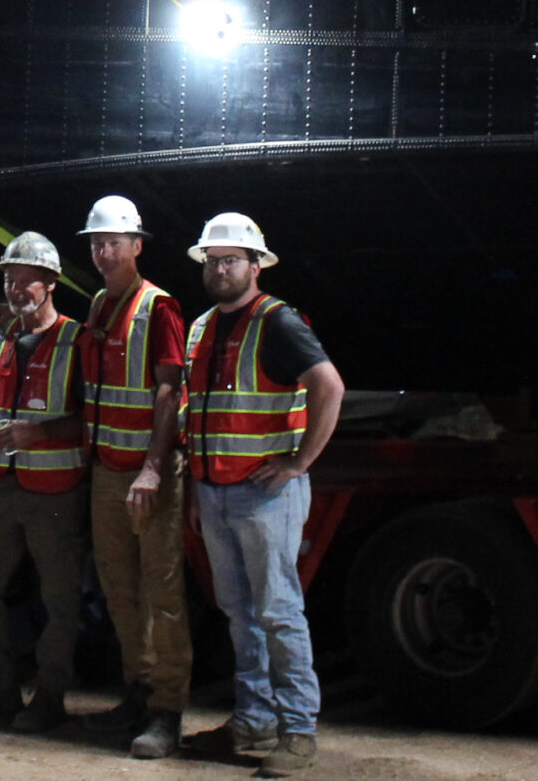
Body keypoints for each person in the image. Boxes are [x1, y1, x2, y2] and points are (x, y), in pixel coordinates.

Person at [184, 212, 346, 778]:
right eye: (212, 260)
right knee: (240, 613)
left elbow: (329, 386)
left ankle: (298, 731)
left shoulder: (277, 321)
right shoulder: (202, 328)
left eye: (230, 260)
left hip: (264, 494)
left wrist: (299, 462)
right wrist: (196, 488)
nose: (220, 269)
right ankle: (254, 721)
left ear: (256, 265)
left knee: (277, 611)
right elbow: (196, 414)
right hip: (216, 491)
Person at [0, 230, 89, 733]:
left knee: (60, 599)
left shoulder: (76, 341)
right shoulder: (1, 336)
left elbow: (95, 419)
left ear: (51, 284)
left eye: (27, 281)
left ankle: (49, 698)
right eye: (10, 280)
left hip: (55, 491)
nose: (16, 289)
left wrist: (38, 433)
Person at [76, 195, 192, 758]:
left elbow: (169, 390)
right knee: (120, 588)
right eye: (97, 243)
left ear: (136, 246)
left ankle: (167, 711)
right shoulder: (100, 303)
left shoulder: (158, 306)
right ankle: (138, 693)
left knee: (162, 592)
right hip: (108, 469)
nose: (104, 252)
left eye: (114, 243)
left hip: (150, 474)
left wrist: (152, 467)